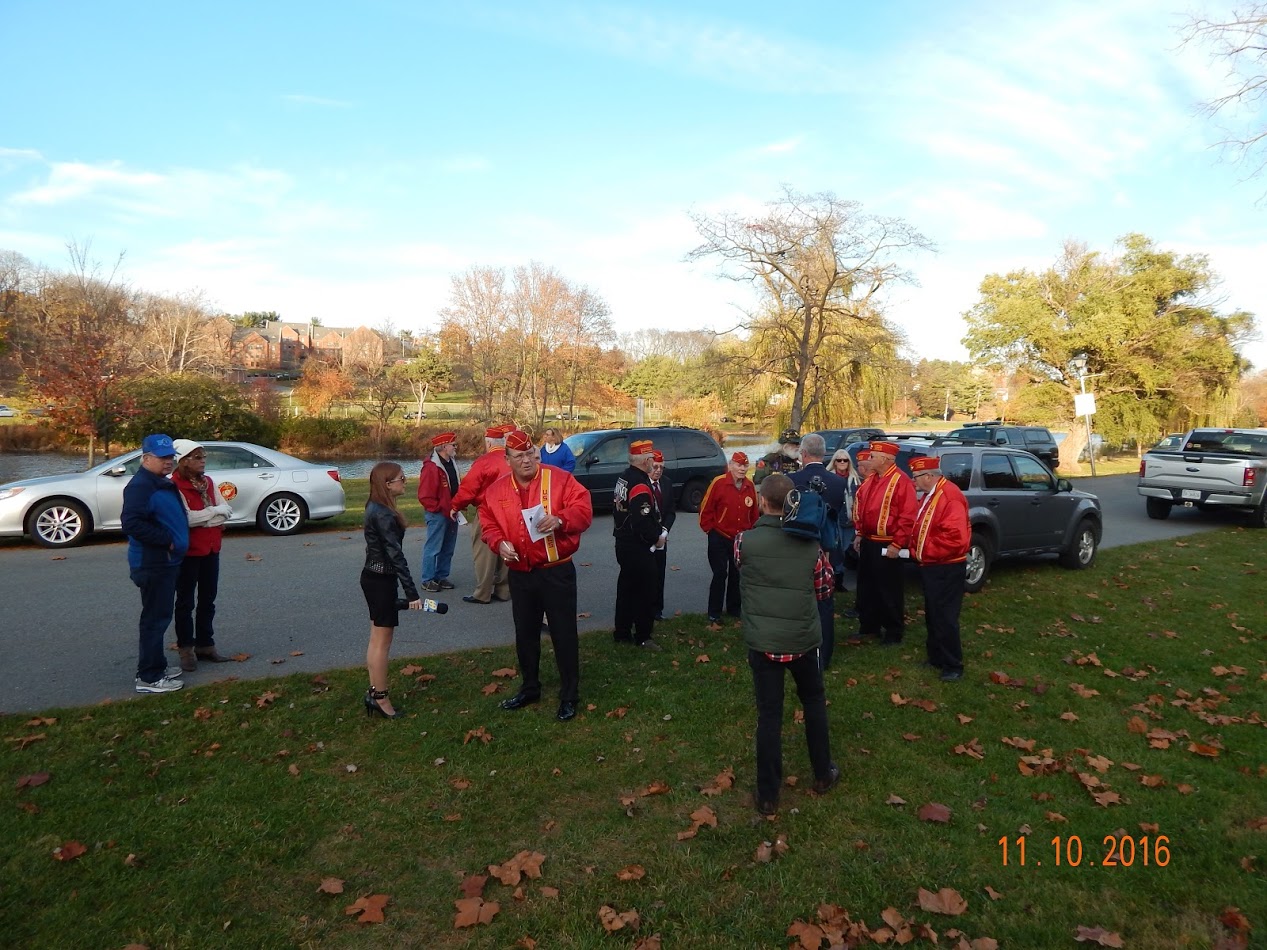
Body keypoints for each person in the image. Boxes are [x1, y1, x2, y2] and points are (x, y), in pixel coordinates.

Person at [734, 473, 840, 816]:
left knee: (769, 715)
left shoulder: (743, 542)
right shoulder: (812, 547)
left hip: (763, 641)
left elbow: (743, 573)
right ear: (793, 504)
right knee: (813, 703)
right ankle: (823, 773)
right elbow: (825, 591)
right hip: (803, 641)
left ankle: (767, 794)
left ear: (762, 502)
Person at [479, 430, 593, 721]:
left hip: (556, 571)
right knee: (525, 633)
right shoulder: (496, 491)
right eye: (519, 456)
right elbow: (488, 523)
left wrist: (561, 519)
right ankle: (530, 688)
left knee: (563, 633)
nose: (527, 460)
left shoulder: (560, 479)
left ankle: (569, 694)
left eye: (531, 454)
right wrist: (498, 543)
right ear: (508, 460)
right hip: (521, 574)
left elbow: (584, 509)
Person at [121, 433, 189, 694]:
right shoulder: (141, 486)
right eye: (162, 458)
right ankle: (149, 677)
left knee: (159, 617)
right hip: (153, 563)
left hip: (166, 562)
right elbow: (132, 523)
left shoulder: (161, 482)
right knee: (154, 620)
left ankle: (156, 666)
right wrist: (168, 541)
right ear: (146, 458)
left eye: (171, 456)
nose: (169, 461)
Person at [361, 462, 422, 719]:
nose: (405, 482)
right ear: (387, 484)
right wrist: (412, 593)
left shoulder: (375, 506)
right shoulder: (383, 514)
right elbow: (396, 557)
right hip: (380, 580)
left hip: (373, 577)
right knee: (381, 643)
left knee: (377, 639)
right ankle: (381, 698)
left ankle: (375, 692)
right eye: (401, 479)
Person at [170, 439, 233, 672]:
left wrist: (208, 515)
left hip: (211, 548)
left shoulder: (208, 482)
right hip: (188, 551)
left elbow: (226, 511)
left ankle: (206, 644)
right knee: (185, 602)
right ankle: (186, 648)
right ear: (183, 461)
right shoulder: (174, 485)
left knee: (208, 599)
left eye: (204, 457)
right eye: (197, 457)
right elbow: (185, 519)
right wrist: (213, 513)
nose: (203, 461)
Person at [788, 433, 848, 671]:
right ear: (824, 454)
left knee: (800, 601)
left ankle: (799, 649)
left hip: (799, 547)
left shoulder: (792, 479)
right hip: (826, 549)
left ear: (802, 453)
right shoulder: (838, 482)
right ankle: (825, 654)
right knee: (824, 602)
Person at [909, 456, 970, 682]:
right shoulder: (931, 495)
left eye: (915, 477)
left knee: (945, 616)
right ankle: (936, 656)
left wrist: (923, 551)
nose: (912, 481)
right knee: (933, 613)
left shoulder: (949, 497)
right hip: (933, 565)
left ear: (928, 476)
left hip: (946, 567)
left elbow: (955, 539)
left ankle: (953, 664)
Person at [851, 440, 917, 646]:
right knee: (867, 586)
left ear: (885, 459)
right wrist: (860, 533)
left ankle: (893, 631)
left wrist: (897, 544)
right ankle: (869, 626)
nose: (868, 460)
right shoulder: (872, 480)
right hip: (870, 541)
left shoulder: (901, 481)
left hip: (887, 544)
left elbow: (907, 516)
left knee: (888, 589)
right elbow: (864, 508)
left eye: (872, 456)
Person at [612, 438, 665, 649]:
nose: (654, 461)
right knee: (646, 592)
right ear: (645, 461)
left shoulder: (623, 478)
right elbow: (641, 522)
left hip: (622, 542)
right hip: (637, 547)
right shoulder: (640, 485)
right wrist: (656, 538)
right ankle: (643, 636)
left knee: (626, 589)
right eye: (651, 457)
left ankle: (622, 632)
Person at [450, 426, 512, 605]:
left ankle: (482, 593)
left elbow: (469, 488)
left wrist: (456, 505)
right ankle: (504, 590)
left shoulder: (485, 461)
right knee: (507, 550)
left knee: (484, 552)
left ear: (489, 442)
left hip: (488, 510)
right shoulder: (511, 459)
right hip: (510, 510)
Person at [698, 451, 758, 624]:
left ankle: (734, 608)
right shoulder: (719, 483)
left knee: (736, 574)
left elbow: (754, 514)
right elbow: (706, 508)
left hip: (740, 538)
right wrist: (709, 530)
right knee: (720, 574)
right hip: (719, 536)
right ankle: (714, 613)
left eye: (745, 465)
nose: (742, 469)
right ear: (731, 465)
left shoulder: (749, 486)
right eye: (738, 465)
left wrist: (751, 532)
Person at [418, 431, 461, 592]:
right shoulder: (431, 468)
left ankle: (441, 576)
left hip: (452, 511)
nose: (456, 447)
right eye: (453, 444)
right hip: (438, 513)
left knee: (448, 546)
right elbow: (425, 495)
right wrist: (437, 509)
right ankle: (427, 579)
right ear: (444, 446)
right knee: (433, 547)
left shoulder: (451, 462)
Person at [649, 450, 675, 621]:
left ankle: (658, 610)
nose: (658, 470)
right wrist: (653, 536)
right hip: (647, 538)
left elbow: (671, 512)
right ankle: (645, 610)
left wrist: (664, 533)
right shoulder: (642, 483)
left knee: (659, 575)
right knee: (647, 576)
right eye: (655, 467)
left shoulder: (666, 483)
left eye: (661, 468)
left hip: (662, 538)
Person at [828, 449, 858, 589]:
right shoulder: (829, 477)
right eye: (838, 460)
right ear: (834, 462)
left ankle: (838, 576)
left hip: (849, 519)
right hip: (834, 518)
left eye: (844, 460)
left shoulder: (854, 478)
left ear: (849, 462)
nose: (841, 463)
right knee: (835, 549)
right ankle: (836, 579)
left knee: (845, 548)